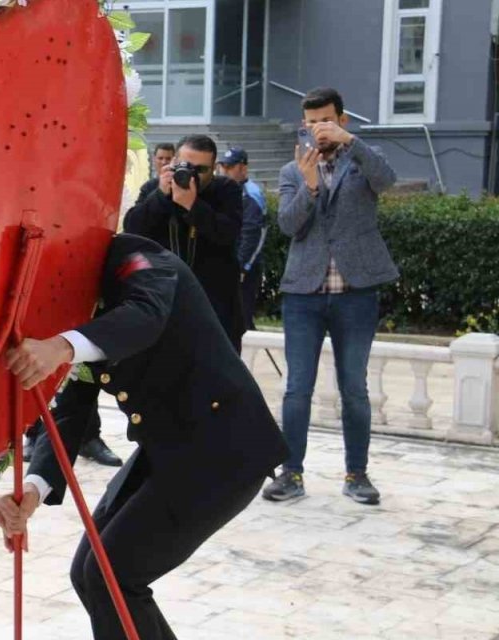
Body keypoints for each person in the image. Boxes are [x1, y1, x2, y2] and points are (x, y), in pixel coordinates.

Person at [0, 233, 289, 640]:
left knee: (113, 577)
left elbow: (146, 316)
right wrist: (34, 488)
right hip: (169, 449)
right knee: (92, 574)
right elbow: (70, 412)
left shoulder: (137, 259)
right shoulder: (69, 300)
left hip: (224, 451)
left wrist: (62, 346)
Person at [262, 87, 398, 506]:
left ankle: (357, 474)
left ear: (342, 119)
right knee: (296, 389)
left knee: (354, 388)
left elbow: (387, 180)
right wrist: (310, 186)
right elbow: (288, 225)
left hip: (356, 293)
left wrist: (351, 144)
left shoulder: (362, 160)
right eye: (311, 120)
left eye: (326, 119)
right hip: (304, 294)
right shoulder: (292, 170)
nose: (318, 127)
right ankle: (292, 474)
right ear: (304, 123)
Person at [124, 135, 245, 350]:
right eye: (186, 166)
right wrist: (161, 195)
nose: (192, 174)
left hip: (214, 306)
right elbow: (133, 228)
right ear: (173, 162)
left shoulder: (226, 190)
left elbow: (227, 233)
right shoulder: (154, 188)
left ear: (214, 168)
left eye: (201, 170)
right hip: (165, 302)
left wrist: (193, 206)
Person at [217, 147, 267, 329]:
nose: (226, 170)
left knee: (242, 319)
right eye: (224, 166)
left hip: (244, 268)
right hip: (226, 263)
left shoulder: (251, 194)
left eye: (231, 167)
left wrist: (242, 267)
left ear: (243, 168)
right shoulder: (224, 190)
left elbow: (254, 234)